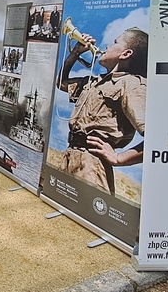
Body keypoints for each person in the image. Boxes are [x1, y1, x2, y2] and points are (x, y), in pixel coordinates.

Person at [56, 27, 147, 196]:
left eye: (115, 43)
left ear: (126, 54)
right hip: (70, 156)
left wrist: (119, 158)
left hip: (93, 165)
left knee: (85, 209)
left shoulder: (132, 84)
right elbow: (62, 83)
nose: (107, 46)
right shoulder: (94, 81)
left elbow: (156, 140)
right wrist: (75, 53)